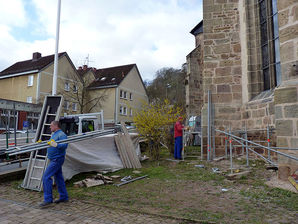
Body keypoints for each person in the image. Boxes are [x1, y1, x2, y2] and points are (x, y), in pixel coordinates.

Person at [39, 120, 69, 208]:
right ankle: (64, 197)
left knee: (46, 177)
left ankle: (48, 199)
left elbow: (64, 145)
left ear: (56, 126)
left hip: (57, 159)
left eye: (51, 126)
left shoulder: (61, 134)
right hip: (54, 159)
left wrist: (56, 145)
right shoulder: (55, 134)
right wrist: (43, 143)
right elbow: (51, 143)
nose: (50, 127)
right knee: (58, 178)